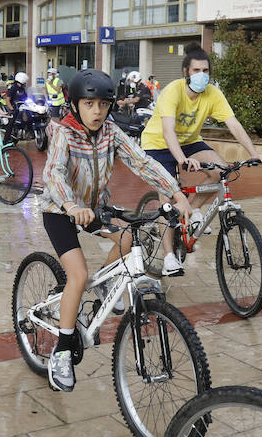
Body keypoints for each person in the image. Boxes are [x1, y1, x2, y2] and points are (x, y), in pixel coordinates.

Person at [38, 69, 192, 392]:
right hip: (61, 211)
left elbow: (141, 161)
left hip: (94, 209)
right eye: (89, 104)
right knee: (77, 275)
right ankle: (62, 351)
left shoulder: (111, 132)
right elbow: (53, 174)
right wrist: (70, 206)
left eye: (103, 105)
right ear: (76, 104)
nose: (97, 111)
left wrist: (176, 193)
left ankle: (102, 289)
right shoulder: (64, 133)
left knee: (126, 237)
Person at [139, 47, 262, 276]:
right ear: (186, 72)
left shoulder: (213, 93)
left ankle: (192, 210)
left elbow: (234, 124)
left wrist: (254, 153)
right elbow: (168, 130)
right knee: (168, 199)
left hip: (190, 141)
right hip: (157, 144)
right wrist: (182, 160)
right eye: (197, 70)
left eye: (206, 70)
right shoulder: (173, 91)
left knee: (222, 170)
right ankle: (169, 257)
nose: (202, 74)